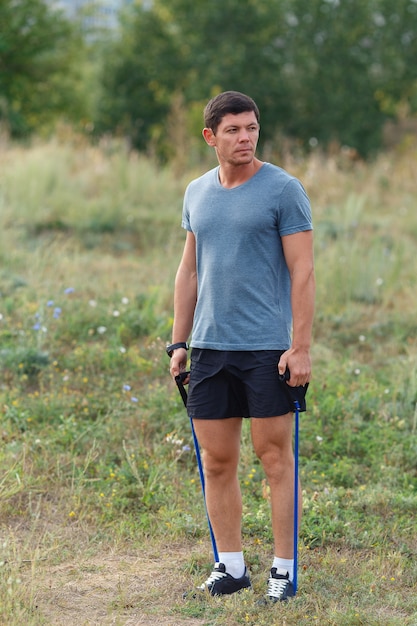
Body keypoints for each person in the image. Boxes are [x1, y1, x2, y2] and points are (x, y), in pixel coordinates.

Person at [167, 91, 315, 603]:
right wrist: (178, 341)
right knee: (216, 460)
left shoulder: (283, 190)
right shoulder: (196, 192)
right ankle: (230, 567)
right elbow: (189, 270)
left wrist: (300, 345)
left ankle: (283, 569)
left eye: (251, 127)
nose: (245, 137)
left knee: (275, 459)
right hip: (208, 348)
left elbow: (304, 270)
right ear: (211, 136)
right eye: (232, 130)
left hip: (267, 350)